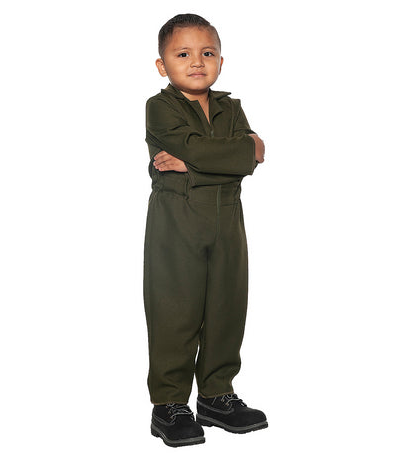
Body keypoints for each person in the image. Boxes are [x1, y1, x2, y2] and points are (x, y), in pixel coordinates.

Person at [143, 13, 267, 447]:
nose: (197, 62)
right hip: (177, 219)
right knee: (175, 310)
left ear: (220, 61)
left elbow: (254, 155)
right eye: (183, 54)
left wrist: (195, 164)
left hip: (227, 219)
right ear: (162, 65)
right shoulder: (160, 107)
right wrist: (235, 155)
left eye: (207, 53)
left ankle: (216, 396)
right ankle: (169, 403)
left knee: (226, 308)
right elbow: (226, 151)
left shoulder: (231, 108)